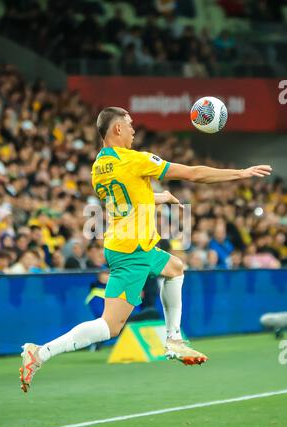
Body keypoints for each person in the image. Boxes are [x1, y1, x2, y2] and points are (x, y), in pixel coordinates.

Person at [19, 106, 272, 392]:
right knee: (109, 327)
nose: (134, 130)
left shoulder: (99, 165)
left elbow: (126, 197)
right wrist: (240, 173)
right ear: (117, 129)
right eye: (129, 125)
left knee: (175, 268)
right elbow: (192, 173)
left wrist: (158, 197)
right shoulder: (134, 160)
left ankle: (174, 340)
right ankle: (40, 353)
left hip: (124, 244)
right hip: (133, 250)